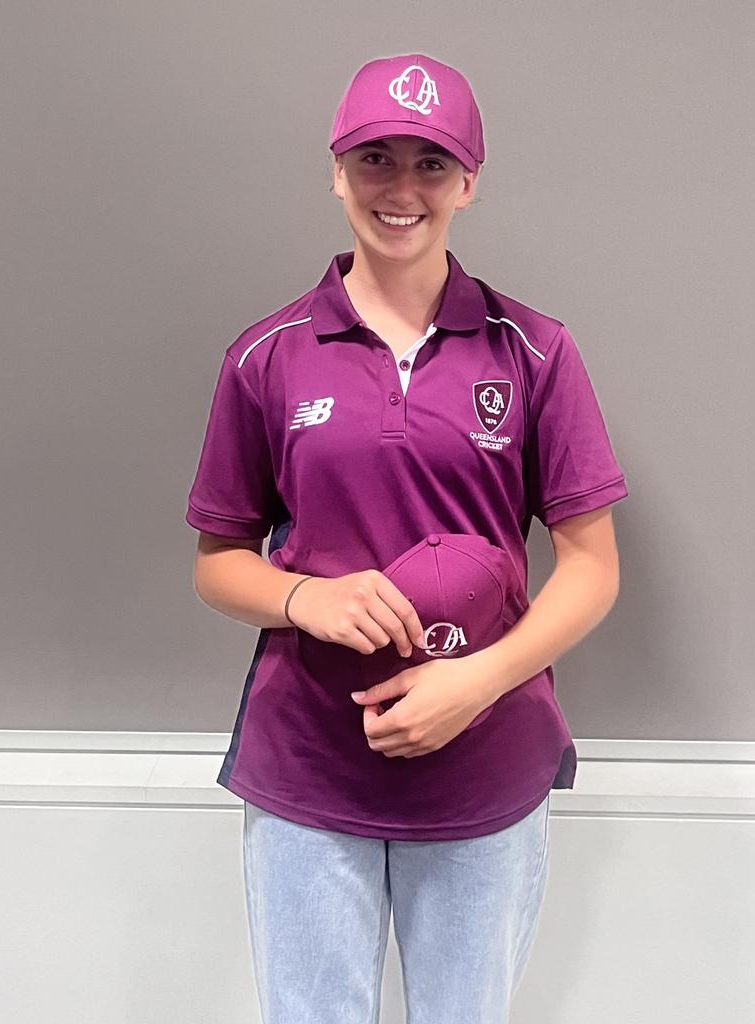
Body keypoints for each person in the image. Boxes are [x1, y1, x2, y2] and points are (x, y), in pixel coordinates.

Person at [186, 53, 628, 1024]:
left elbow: (592, 570)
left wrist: (478, 681)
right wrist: (304, 596)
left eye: (431, 164)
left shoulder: (536, 351)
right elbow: (218, 564)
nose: (402, 189)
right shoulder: (265, 357)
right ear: (336, 171)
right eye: (376, 158)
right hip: (308, 769)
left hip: (484, 767)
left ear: (469, 182)